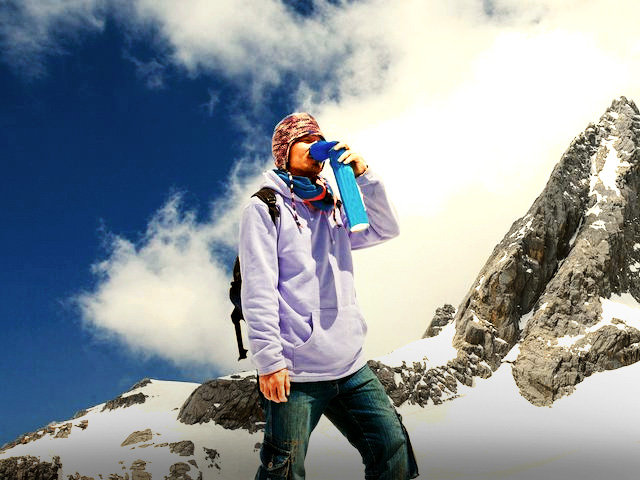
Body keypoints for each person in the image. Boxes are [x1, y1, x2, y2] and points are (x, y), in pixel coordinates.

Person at [239, 112, 418, 479]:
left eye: (318, 139)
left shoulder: (332, 204)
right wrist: (269, 362)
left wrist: (364, 177)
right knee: (283, 470)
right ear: (284, 151)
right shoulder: (265, 208)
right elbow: (257, 288)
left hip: (350, 364)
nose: (315, 146)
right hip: (297, 372)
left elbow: (385, 228)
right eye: (304, 140)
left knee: (393, 448)